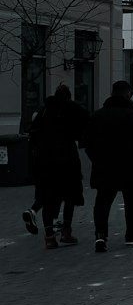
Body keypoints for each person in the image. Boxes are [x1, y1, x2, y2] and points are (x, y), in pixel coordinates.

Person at [85, 79, 133, 252]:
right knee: (130, 200)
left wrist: (97, 159)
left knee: (102, 202)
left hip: (104, 166)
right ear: (128, 93)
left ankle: (100, 235)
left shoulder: (97, 116)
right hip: (129, 166)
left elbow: (88, 143)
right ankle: (131, 234)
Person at [28, 83, 88, 250]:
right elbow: (85, 124)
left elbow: (32, 133)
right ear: (68, 96)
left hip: (44, 160)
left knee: (48, 197)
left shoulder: (43, 111)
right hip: (67, 159)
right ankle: (66, 233)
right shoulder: (72, 109)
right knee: (70, 195)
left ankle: (49, 237)